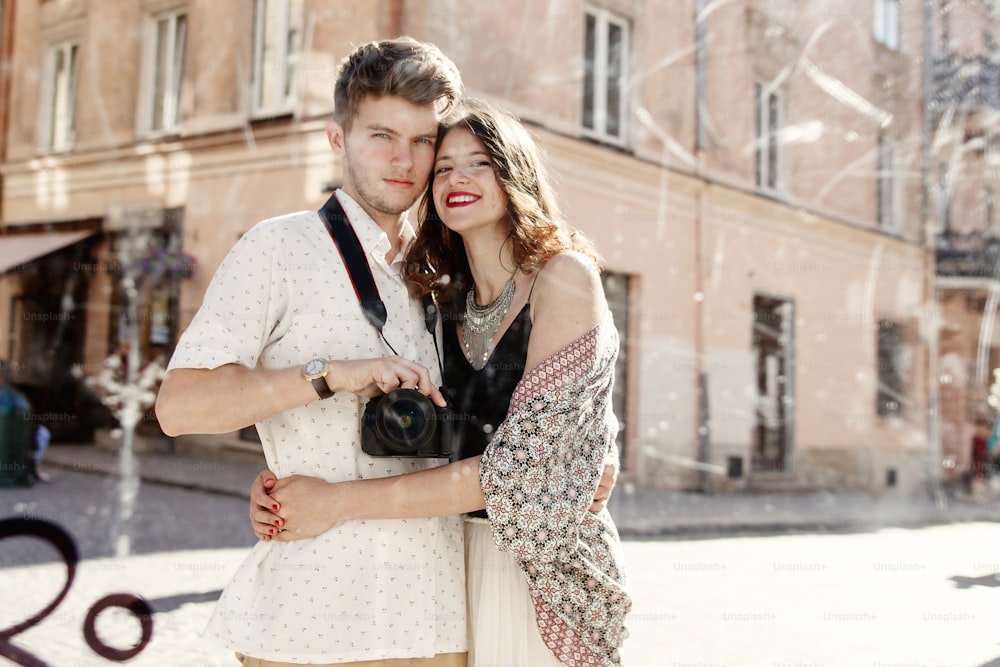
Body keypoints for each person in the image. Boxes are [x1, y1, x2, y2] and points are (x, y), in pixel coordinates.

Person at [249, 99, 631, 667]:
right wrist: (282, 484)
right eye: (445, 167)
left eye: (479, 163)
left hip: (543, 573)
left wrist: (334, 502)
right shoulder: (434, 299)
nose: (457, 178)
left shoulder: (564, 278)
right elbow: (404, 428)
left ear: (514, 175)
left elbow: (518, 472)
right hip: (443, 568)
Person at [155, 37, 470, 667]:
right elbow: (179, 408)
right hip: (310, 619)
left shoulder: (449, 268)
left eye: (423, 140)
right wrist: (331, 376)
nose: (403, 160)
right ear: (336, 137)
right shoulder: (278, 249)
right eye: (381, 135)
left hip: (437, 622)